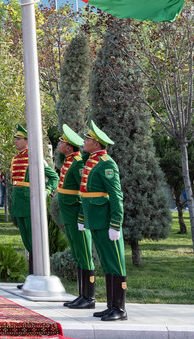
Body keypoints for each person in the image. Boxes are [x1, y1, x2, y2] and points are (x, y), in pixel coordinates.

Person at [80, 121, 127, 322]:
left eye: (88, 139)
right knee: (107, 264)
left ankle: (120, 309)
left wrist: (115, 223)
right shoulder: (92, 160)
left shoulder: (107, 163)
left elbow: (116, 195)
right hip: (96, 220)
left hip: (106, 220)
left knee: (116, 264)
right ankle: (111, 306)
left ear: (97, 144)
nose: (84, 141)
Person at [10, 124, 58, 282]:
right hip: (18, 203)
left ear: (27, 141)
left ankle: (37, 276)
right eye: (15, 139)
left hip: (30, 203)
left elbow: (53, 177)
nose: (16, 142)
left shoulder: (35, 158)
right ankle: (31, 277)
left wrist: (46, 190)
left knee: (33, 242)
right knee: (26, 241)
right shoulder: (16, 158)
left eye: (19, 139)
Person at [56, 124, 95, 310]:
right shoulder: (69, 161)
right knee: (78, 255)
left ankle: (89, 297)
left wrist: (82, 217)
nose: (59, 144)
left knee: (85, 255)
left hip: (76, 216)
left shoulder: (78, 163)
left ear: (69, 147)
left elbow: (84, 192)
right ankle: (81, 295)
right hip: (69, 215)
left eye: (61, 142)